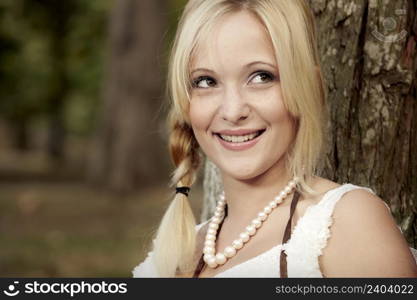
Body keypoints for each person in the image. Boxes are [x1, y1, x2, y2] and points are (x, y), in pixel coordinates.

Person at [132, 0, 417, 278]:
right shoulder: (179, 249)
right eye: (206, 81)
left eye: (261, 77)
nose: (232, 111)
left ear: (309, 88)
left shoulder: (346, 223)